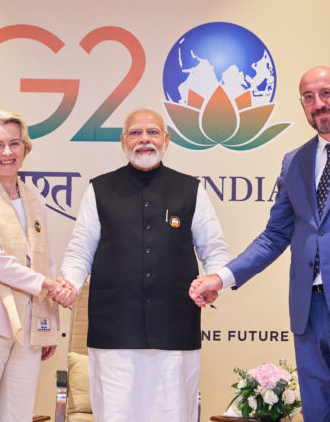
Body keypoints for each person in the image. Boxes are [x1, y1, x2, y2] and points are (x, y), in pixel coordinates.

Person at [190, 66, 330, 421]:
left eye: (326, 93)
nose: (319, 104)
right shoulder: (294, 161)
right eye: (309, 98)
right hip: (307, 314)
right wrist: (222, 277)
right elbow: (274, 236)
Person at [56, 108, 230, 422]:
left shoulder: (191, 190)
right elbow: (79, 253)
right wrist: (68, 282)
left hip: (175, 332)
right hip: (114, 333)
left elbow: (215, 251)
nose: (144, 140)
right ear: (123, 141)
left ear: (167, 139)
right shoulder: (99, 189)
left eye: (152, 132)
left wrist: (215, 279)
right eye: (136, 133)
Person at [0, 109, 73, 422]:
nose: (7, 152)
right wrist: (48, 286)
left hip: (30, 325)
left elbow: (44, 261)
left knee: (18, 416)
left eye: (15, 143)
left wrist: (48, 322)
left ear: (25, 148)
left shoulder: (35, 199)